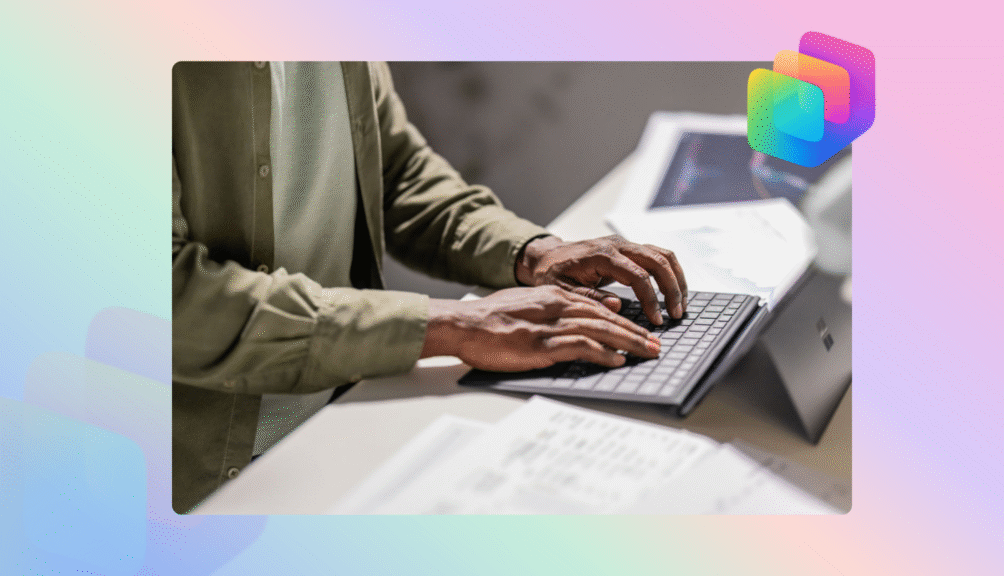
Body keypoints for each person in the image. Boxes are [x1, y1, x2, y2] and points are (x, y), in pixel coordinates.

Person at [172, 61, 687, 512]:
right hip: (205, 480)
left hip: (344, 416)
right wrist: (447, 325)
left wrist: (533, 253)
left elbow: (397, 173)